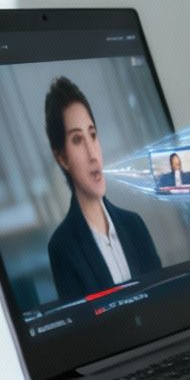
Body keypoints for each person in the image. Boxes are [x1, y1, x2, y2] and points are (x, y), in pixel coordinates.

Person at [42, 76, 162, 303]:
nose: (92, 153)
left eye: (93, 135)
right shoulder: (62, 247)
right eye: (77, 140)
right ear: (61, 158)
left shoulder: (134, 225)